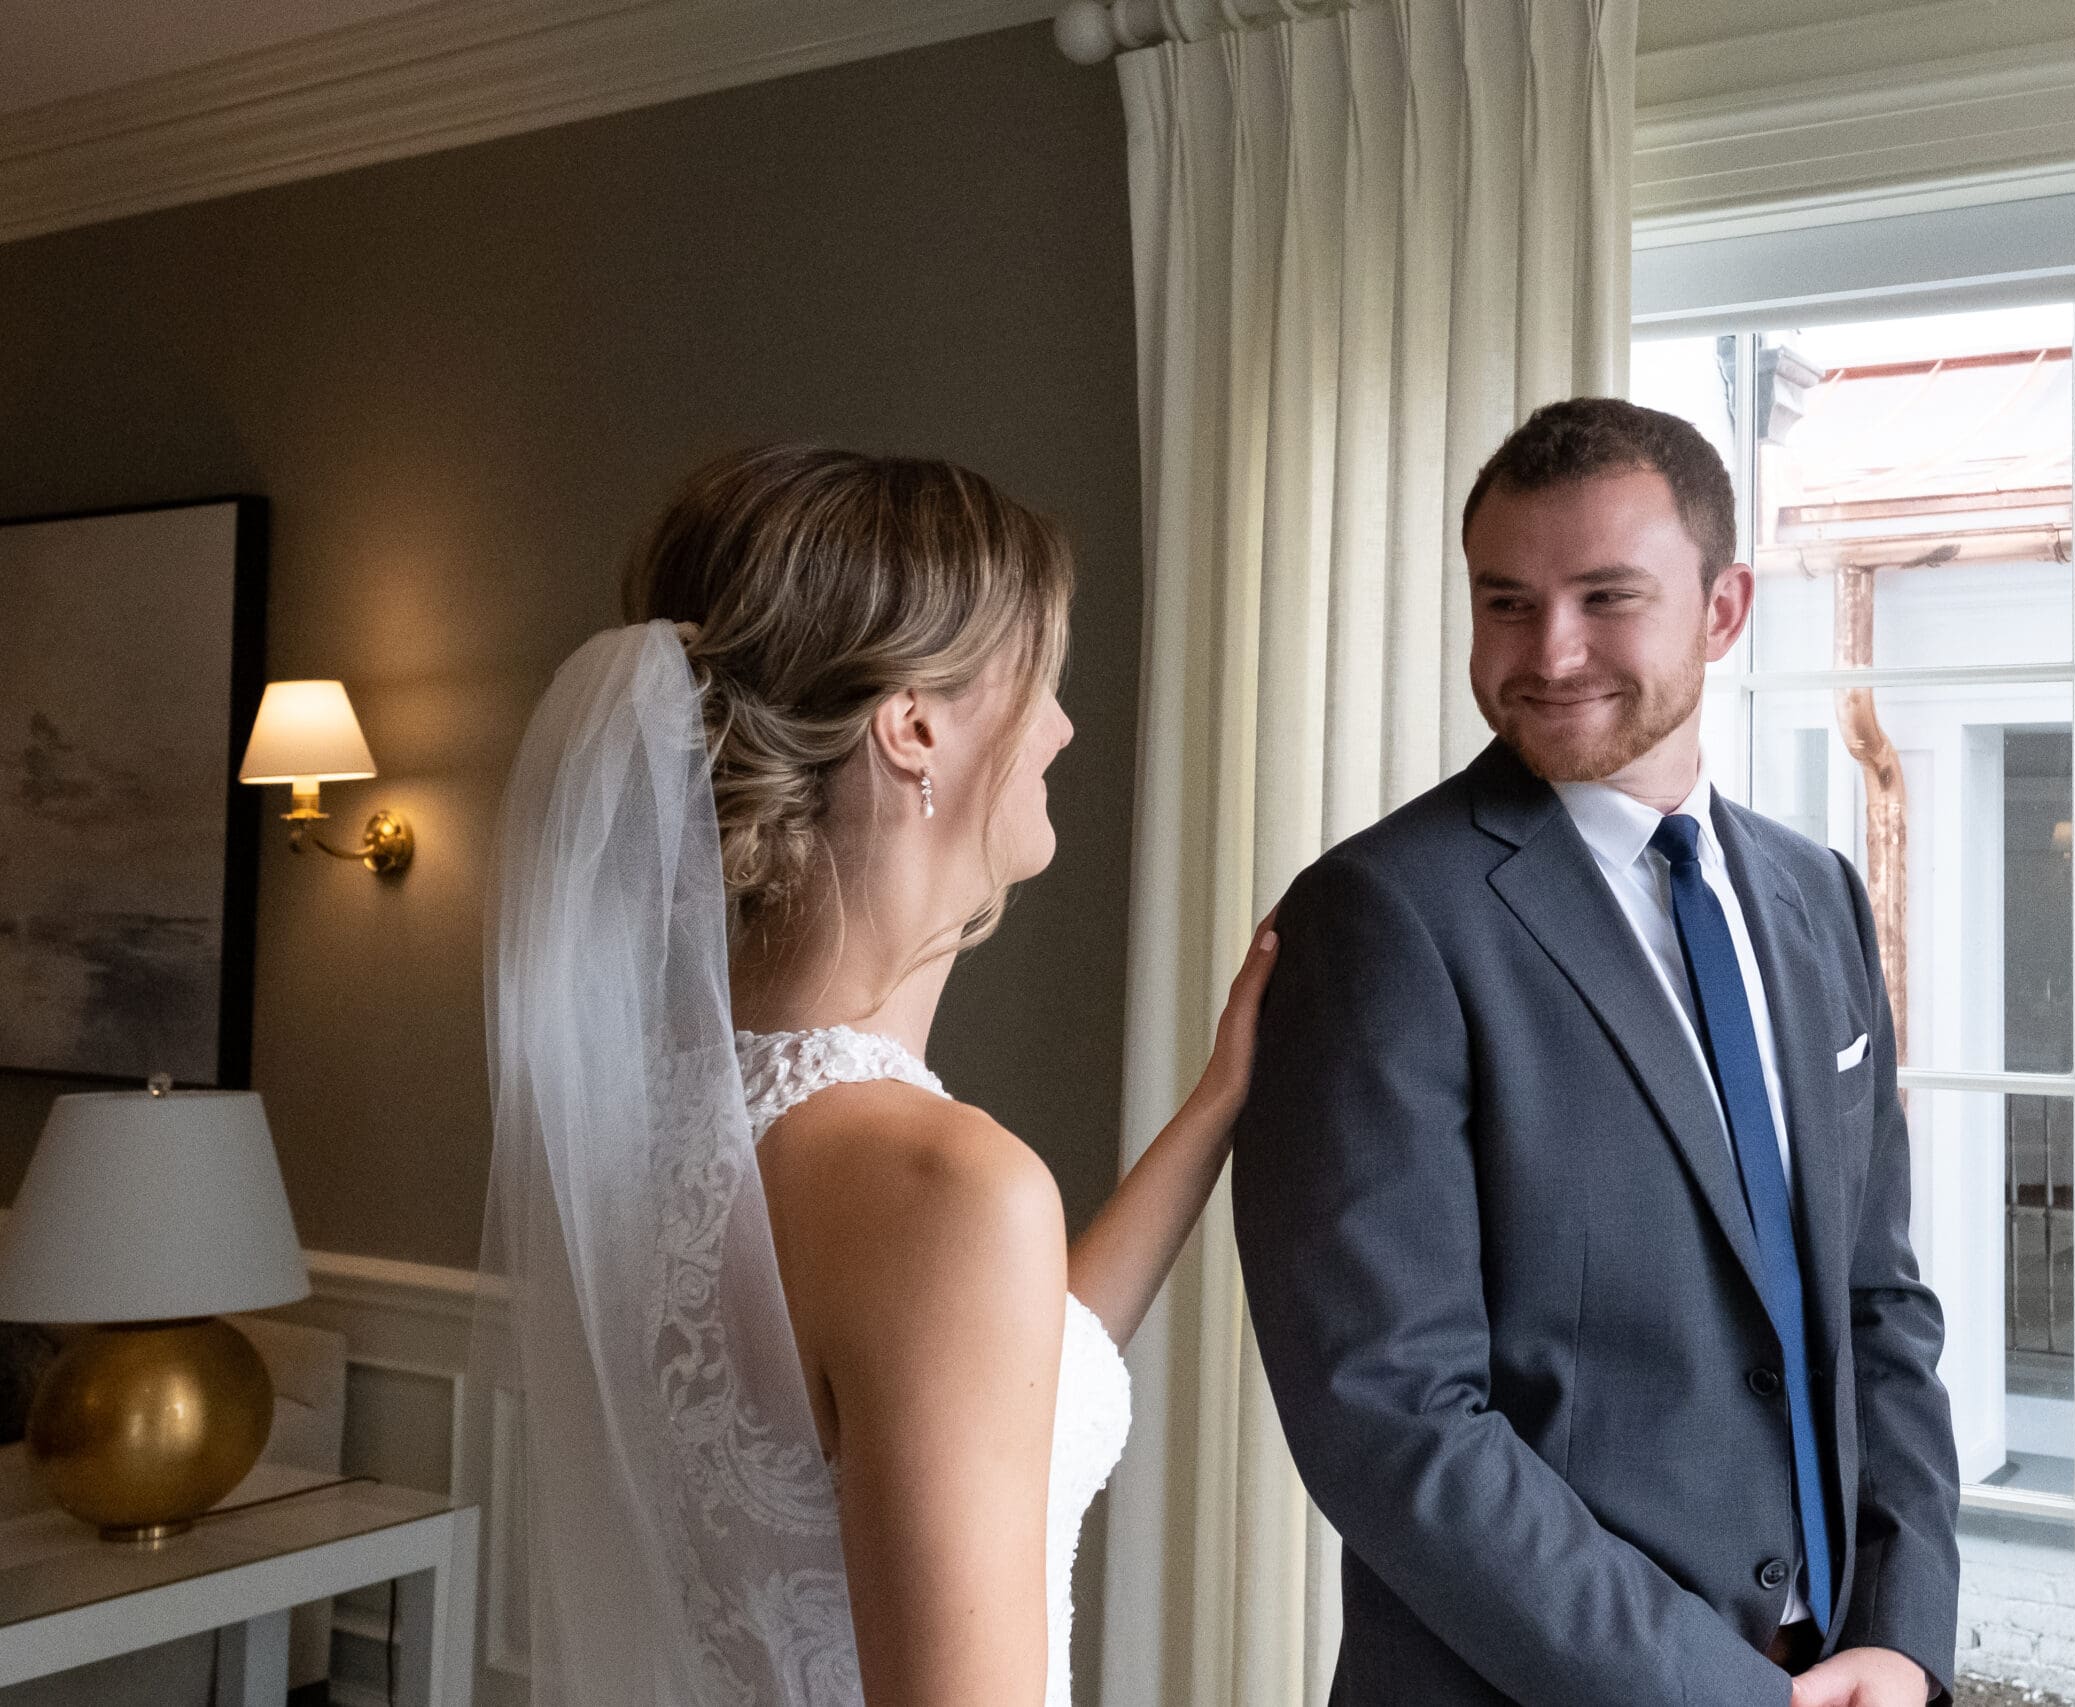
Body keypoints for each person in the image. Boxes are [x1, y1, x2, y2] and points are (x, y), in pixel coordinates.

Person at [473, 445, 1273, 1707]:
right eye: (1042, 676)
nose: (1062, 725)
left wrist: (1218, 1101)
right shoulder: (938, 1186)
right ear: (914, 728)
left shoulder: (668, 1122)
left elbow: (1006, 1369)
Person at [1232, 398, 1961, 1707]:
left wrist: (1903, 1636)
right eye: (1505, 601)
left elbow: (1878, 1304)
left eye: (1604, 597)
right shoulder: (1379, 917)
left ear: (1723, 609)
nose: (1549, 650)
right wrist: (1721, 1694)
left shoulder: (1820, 897)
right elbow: (1388, 1408)